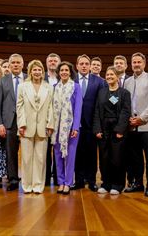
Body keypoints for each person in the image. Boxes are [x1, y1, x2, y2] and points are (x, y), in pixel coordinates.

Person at [123, 52, 148, 197]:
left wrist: (141, 118)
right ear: (131, 64)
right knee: (135, 157)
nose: (136, 64)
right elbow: (126, 103)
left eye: (139, 62)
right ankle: (138, 183)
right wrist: (130, 119)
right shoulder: (127, 82)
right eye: (134, 62)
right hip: (132, 125)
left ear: (144, 64)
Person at [16, 60, 55, 194]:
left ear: (42, 72)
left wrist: (50, 124)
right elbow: (19, 107)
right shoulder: (22, 86)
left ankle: (38, 185)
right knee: (26, 159)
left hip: (43, 127)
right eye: (34, 69)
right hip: (26, 127)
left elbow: (51, 107)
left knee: (40, 158)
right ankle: (26, 186)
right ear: (30, 71)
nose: (37, 72)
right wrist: (21, 124)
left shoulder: (49, 87)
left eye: (39, 70)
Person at [93, 66, 131, 195]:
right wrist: (97, 128)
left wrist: (120, 129)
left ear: (117, 77)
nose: (109, 77)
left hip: (117, 129)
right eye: (107, 75)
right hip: (104, 128)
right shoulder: (102, 92)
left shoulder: (124, 93)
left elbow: (126, 112)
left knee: (117, 158)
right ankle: (106, 183)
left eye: (112, 75)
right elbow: (97, 111)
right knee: (104, 158)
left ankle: (118, 184)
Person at [73, 54, 106, 191]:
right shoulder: (71, 79)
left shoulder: (98, 81)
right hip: (75, 124)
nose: (84, 66)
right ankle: (79, 180)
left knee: (92, 154)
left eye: (87, 64)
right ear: (77, 66)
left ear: (90, 65)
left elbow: (101, 104)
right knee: (77, 153)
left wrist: (98, 125)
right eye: (82, 64)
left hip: (92, 124)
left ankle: (92, 180)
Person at [0, 53, 25, 191]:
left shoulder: (29, 78)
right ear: (10, 64)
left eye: (18, 62)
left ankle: (28, 179)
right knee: (10, 152)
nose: (16, 65)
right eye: (13, 62)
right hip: (9, 122)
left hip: (26, 121)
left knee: (28, 152)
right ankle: (12, 179)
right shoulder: (3, 80)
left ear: (22, 64)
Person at [52, 61, 83, 194]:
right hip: (57, 127)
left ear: (70, 72)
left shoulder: (76, 87)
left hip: (71, 127)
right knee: (58, 155)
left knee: (70, 157)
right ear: (58, 73)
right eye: (62, 70)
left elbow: (78, 108)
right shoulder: (54, 87)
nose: (64, 72)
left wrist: (75, 127)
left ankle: (68, 183)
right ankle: (60, 182)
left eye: (66, 70)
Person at [44, 53, 61, 186]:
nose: (52, 62)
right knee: (45, 151)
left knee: (58, 149)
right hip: (44, 121)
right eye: (50, 61)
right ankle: (45, 178)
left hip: (60, 121)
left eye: (55, 61)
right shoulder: (41, 77)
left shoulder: (64, 77)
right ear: (46, 63)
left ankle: (57, 178)